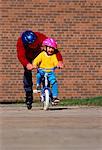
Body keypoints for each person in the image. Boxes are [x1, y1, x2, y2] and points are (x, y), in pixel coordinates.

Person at [16, 30, 63, 109]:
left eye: (35, 44)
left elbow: (53, 47)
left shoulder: (40, 37)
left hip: (39, 54)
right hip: (27, 57)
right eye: (32, 45)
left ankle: (46, 91)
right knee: (27, 73)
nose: (34, 46)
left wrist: (60, 61)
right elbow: (21, 56)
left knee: (44, 70)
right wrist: (27, 64)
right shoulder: (20, 43)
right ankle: (29, 96)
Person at [32, 38, 63, 104]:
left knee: (54, 82)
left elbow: (55, 62)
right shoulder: (42, 54)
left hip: (50, 72)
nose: (51, 50)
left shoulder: (54, 56)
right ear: (45, 48)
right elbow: (36, 60)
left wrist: (58, 65)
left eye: (52, 48)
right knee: (38, 75)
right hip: (42, 70)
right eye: (49, 48)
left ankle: (54, 97)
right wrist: (34, 65)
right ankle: (38, 85)